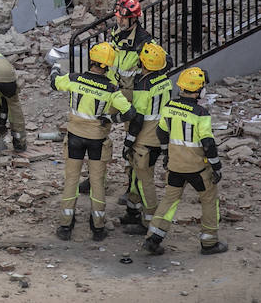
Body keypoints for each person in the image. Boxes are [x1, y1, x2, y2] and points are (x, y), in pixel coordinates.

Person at [50, 42, 131, 241]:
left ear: (92, 60)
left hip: (75, 137)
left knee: (71, 180)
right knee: (97, 184)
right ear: (108, 66)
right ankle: (97, 227)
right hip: (97, 140)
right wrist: (110, 119)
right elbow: (129, 112)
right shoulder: (111, 89)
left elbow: (54, 82)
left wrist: (55, 67)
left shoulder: (74, 79)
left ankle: (65, 225)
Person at [145, 66, 227, 256]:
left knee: (169, 200)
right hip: (197, 168)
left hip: (175, 166)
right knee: (208, 200)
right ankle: (209, 242)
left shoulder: (169, 107)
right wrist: (216, 166)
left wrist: (166, 154)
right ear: (199, 90)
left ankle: (153, 237)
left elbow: (161, 132)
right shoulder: (201, 113)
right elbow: (208, 142)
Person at [119, 42, 172, 235]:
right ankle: (132, 211)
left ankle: (149, 221)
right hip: (159, 136)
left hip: (145, 140)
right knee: (136, 176)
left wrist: (128, 142)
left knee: (144, 181)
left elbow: (138, 117)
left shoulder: (143, 86)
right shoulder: (164, 79)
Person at [108, 0, 152, 100]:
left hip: (131, 94)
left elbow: (165, 61)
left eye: (123, 19)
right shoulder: (117, 32)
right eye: (118, 18)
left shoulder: (143, 41)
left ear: (134, 19)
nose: (119, 21)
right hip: (113, 89)